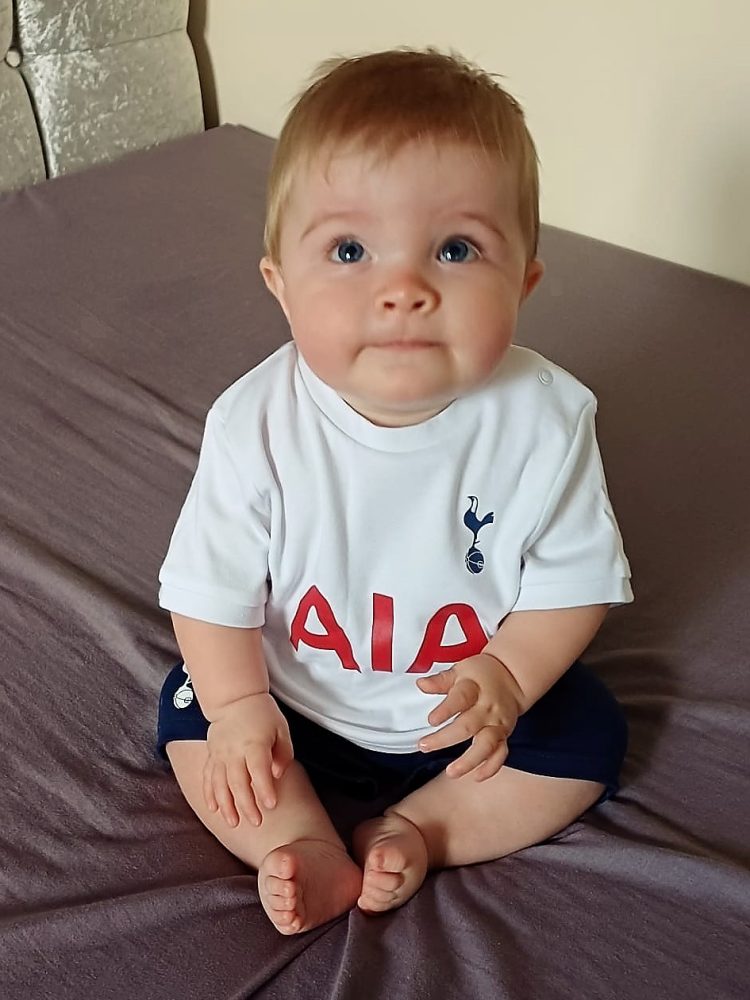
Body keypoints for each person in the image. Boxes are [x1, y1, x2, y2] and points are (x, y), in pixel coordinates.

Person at [156, 47, 633, 936]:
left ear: (525, 279)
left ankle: (423, 830)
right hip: (291, 695)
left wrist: (510, 673)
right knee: (191, 713)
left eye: (456, 249)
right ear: (281, 286)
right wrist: (241, 710)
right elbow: (209, 592)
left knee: (590, 735)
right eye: (349, 250)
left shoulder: (546, 419)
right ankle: (295, 836)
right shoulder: (255, 423)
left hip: (465, 719)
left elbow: (574, 585)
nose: (404, 289)